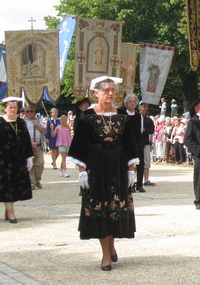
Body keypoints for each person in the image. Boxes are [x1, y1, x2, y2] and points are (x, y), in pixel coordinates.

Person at [67, 76, 138, 271]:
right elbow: (80, 144)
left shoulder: (123, 114)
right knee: (99, 206)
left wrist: (131, 168)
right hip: (96, 165)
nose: (110, 93)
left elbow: (129, 142)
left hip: (117, 165)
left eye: (113, 90)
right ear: (96, 92)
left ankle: (112, 244)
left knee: (115, 206)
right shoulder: (86, 116)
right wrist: (82, 170)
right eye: (106, 90)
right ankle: (106, 254)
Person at [0, 97, 34, 224]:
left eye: (15, 108)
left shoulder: (21, 122)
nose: (13, 110)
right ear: (5, 108)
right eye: (10, 108)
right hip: (3, 159)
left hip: (18, 158)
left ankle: (8, 208)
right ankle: (11, 213)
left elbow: (26, 139)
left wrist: (29, 157)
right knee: (7, 184)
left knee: (15, 184)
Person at [23, 104, 46, 189]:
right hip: (28, 146)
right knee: (30, 164)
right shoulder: (23, 122)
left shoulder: (39, 120)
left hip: (38, 146)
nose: (29, 113)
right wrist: (29, 143)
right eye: (27, 111)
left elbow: (45, 130)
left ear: (34, 112)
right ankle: (32, 182)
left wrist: (37, 126)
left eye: (31, 111)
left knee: (40, 163)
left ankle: (37, 179)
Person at [138, 102, 155, 187]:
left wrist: (145, 130)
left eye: (145, 107)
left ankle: (146, 179)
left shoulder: (148, 120)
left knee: (146, 161)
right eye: (142, 106)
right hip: (136, 142)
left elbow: (152, 130)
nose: (143, 108)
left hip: (145, 142)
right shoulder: (136, 118)